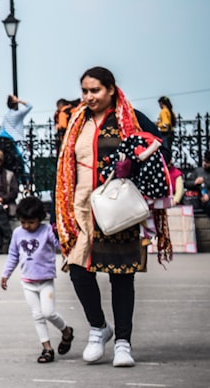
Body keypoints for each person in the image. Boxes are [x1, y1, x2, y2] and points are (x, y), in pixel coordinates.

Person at [55, 66, 167, 368]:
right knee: (78, 270)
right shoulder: (77, 121)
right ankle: (98, 328)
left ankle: (123, 343)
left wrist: (132, 165)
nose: (89, 97)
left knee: (121, 275)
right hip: (81, 209)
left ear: (111, 90)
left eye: (96, 91)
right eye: (85, 91)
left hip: (118, 209)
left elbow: (158, 148)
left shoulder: (130, 119)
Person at [0, 196, 74, 364]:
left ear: (40, 219)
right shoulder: (18, 233)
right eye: (23, 222)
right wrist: (6, 274)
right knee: (37, 316)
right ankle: (47, 348)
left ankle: (67, 331)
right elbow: (13, 255)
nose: (27, 226)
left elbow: (60, 245)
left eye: (31, 222)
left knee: (49, 313)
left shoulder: (47, 230)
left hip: (46, 281)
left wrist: (67, 253)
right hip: (28, 283)